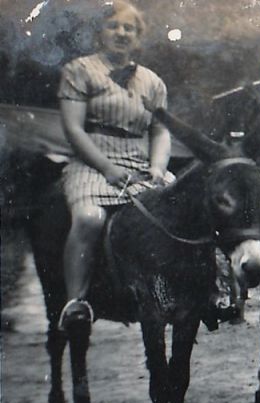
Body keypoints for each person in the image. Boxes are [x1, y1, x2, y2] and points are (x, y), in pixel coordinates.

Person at [57, 0, 171, 331]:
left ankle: (206, 292)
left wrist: (158, 167)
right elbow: (73, 129)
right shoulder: (79, 71)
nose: (121, 33)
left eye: (129, 28)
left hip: (140, 165)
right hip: (92, 164)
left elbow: (160, 130)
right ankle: (76, 301)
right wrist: (107, 168)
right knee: (89, 218)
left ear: (138, 36)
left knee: (184, 210)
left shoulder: (152, 81)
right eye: (113, 26)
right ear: (100, 32)